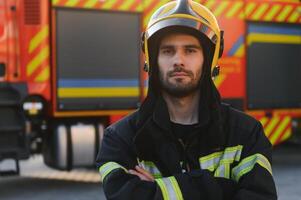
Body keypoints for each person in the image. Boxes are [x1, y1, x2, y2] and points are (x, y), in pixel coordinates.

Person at [96, 0, 277, 199]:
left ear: (208, 59)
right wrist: (222, 188)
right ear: (153, 60)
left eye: (190, 50)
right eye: (168, 51)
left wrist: (157, 189)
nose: (178, 60)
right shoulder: (121, 139)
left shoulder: (245, 133)